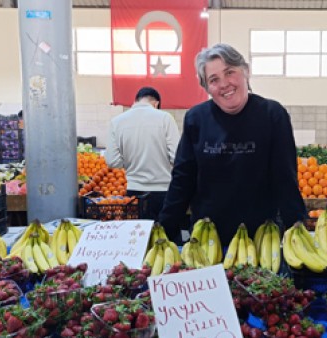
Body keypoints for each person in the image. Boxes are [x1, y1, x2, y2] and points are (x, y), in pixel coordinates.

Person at [158, 43, 306, 244]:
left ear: (245, 71)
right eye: (214, 79)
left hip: (261, 236)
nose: (224, 84)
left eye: (230, 72)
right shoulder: (197, 118)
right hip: (207, 236)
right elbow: (182, 179)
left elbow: (285, 178)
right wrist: (163, 232)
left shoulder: (272, 115)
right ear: (207, 88)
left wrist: (298, 231)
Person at [105, 87, 180, 220]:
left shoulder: (116, 122)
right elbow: (177, 157)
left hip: (134, 191)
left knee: (137, 237)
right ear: (156, 104)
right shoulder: (165, 118)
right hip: (163, 192)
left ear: (136, 101)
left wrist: (129, 162)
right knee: (165, 238)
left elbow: (112, 161)